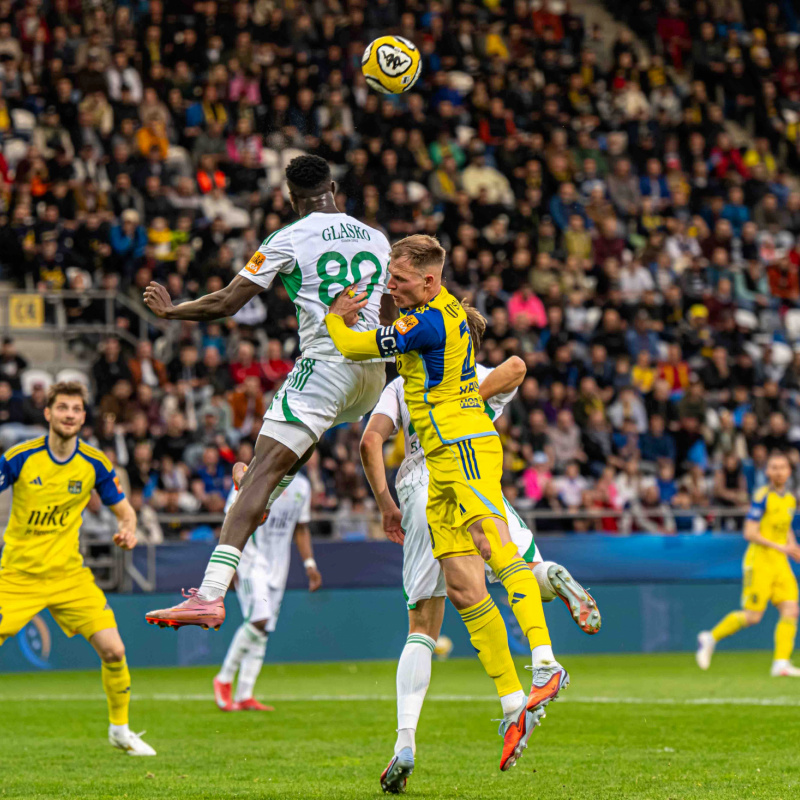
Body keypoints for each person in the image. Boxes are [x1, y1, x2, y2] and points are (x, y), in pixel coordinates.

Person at [325, 234, 568, 774]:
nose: (391, 286)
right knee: (462, 586)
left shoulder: (426, 321)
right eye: (390, 276)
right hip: (436, 461)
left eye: (400, 279)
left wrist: (336, 318)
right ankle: (512, 704)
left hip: (461, 445)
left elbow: (355, 348)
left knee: (490, 544)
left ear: (429, 282)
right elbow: (512, 368)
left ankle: (546, 664)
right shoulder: (442, 311)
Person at [142, 155, 390, 630]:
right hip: (372, 372)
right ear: (333, 187)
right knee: (268, 473)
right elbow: (388, 304)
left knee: (256, 476)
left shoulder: (288, 237)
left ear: (290, 198)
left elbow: (227, 301)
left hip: (325, 365)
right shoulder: (376, 237)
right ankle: (263, 490)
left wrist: (173, 313)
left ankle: (210, 595)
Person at [360, 305, 600, 793]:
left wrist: (386, 503)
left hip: (424, 484)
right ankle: (544, 594)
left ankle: (406, 740)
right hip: (479, 479)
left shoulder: (407, 381)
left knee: (424, 624)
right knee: (510, 571)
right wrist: (468, 404)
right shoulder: (476, 374)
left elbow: (369, 442)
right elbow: (515, 367)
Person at [0, 382, 155, 755]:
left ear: (84, 417)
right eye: (63, 408)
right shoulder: (20, 457)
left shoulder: (95, 463)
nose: (70, 414)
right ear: (48, 413)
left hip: (70, 576)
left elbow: (124, 510)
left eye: (76, 409)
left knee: (114, 651)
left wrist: (128, 530)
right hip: (18, 576)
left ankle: (120, 729)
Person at [212, 462, 321, 712]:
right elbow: (231, 518)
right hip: (250, 560)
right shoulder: (254, 475)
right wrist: (229, 564)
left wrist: (309, 564)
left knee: (264, 629)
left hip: (278, 565)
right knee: (259, 620)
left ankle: (244, 694)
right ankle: (224, 678)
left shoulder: (302, 486)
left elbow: (301, 527)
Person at [696, 453, 800, 677]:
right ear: (768, 472)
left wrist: (793, 548)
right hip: (759, 561)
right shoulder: (762, 497)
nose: (779, 471)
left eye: (783, 467)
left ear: (789, 471)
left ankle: (781, 663)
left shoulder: (790, 499)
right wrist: (781, 547)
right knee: (753, 616)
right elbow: (749, 532)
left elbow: (786, 529)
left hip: (780, 563)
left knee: (791, 609)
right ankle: (710, 638)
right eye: (775, 467)